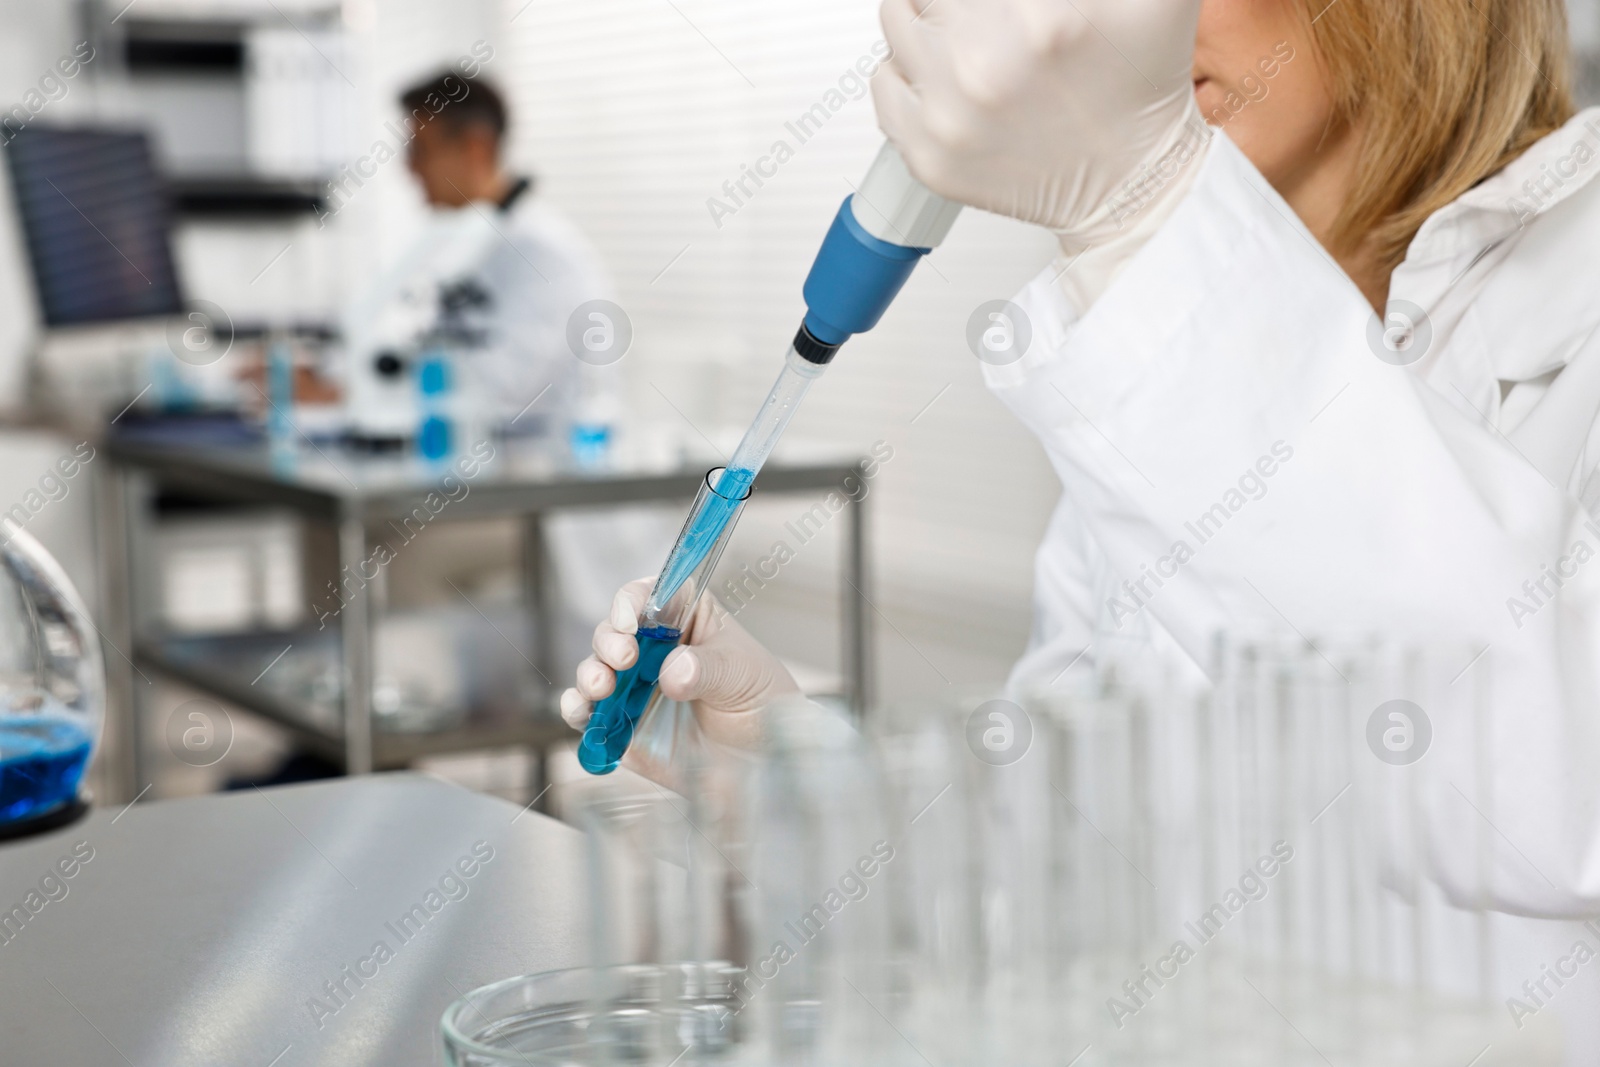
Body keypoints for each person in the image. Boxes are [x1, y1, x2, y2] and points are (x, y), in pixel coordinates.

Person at [567, 0, 1600, 1058]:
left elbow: (1562, 777)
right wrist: (791, 770)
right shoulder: (1147, 359)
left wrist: (1142, 203)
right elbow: (1061, 883)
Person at [344, 72, 615, 440]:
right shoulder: (468, 244)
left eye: (420, 150)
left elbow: (501, 389)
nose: (410, 169)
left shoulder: (544, 253)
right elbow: (421, 344)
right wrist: (340, 377)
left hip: (532, 481)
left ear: (475, 148)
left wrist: (352, 391)